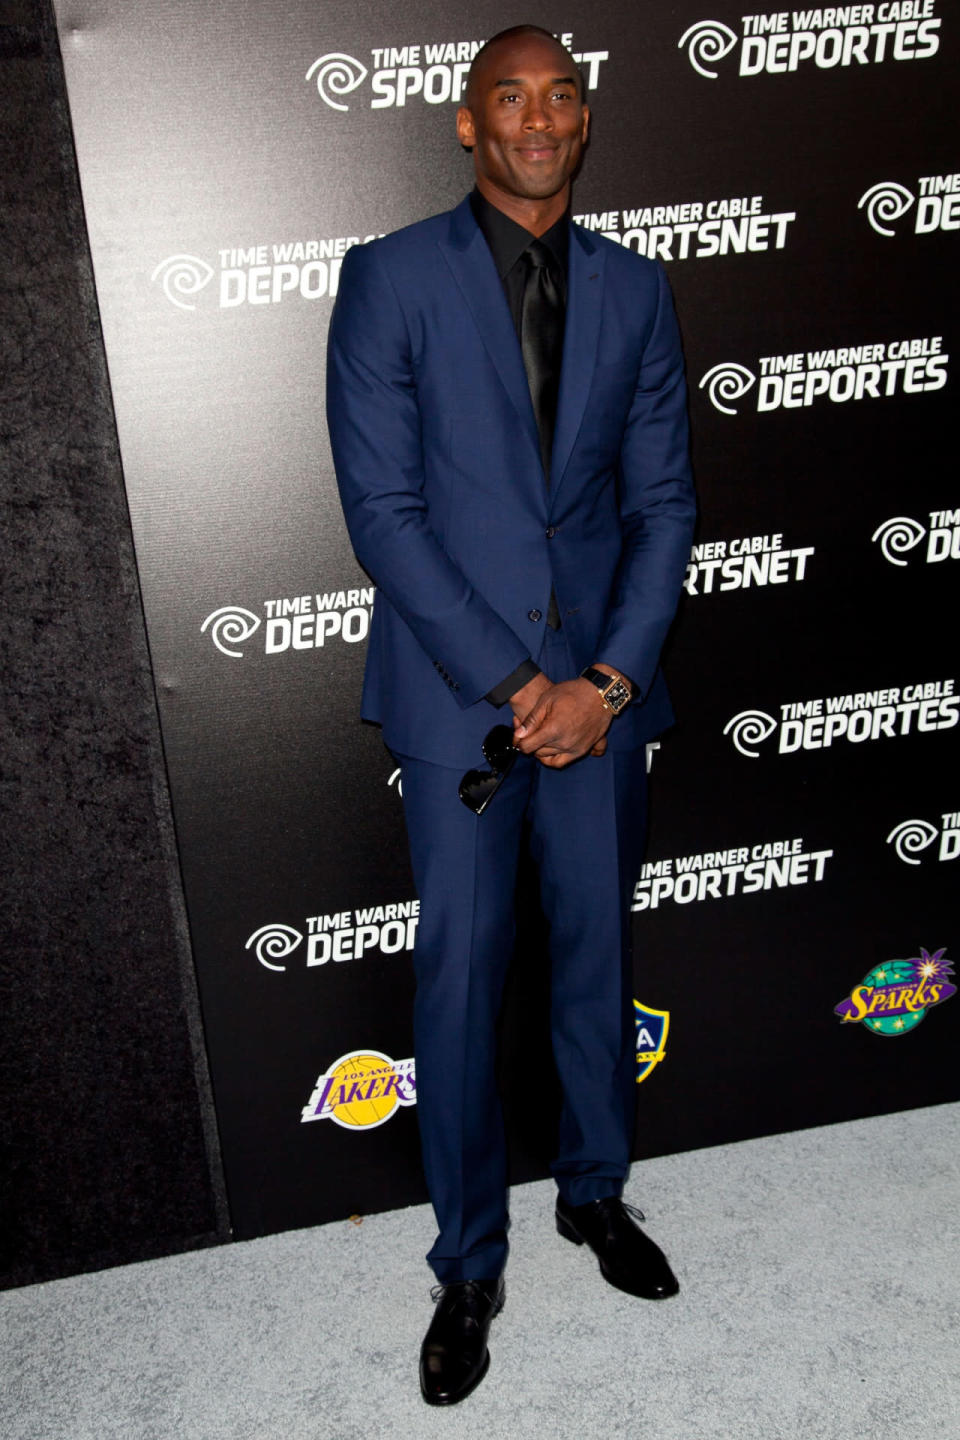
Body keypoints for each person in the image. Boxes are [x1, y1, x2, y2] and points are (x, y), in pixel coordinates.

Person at [327, 24, 695, 1406]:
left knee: (598, 957)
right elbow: (385, 514)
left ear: (584, 123)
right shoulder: (389, 280)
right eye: (509, 99)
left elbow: (664, 507)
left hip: (603, 701)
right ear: (467, 125)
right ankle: (467, 1265)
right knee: (467, 984)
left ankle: (595, 1196)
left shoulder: (637, 291)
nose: (538, 121)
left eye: (562, 99)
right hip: (459, 699)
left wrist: (603, 684)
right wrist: (519, 686)